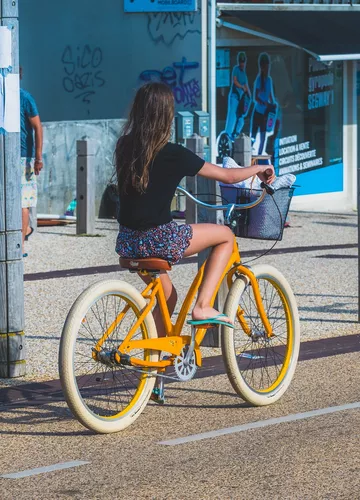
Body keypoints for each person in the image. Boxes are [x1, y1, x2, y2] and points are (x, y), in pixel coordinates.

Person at [115, 82, 275, 402]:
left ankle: (158, 373)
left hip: (128, 242)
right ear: (167, 117)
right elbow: (228, 177)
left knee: (168, 301)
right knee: (225, 236)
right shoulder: (174, 154)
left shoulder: (124, 145)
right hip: (159, 240)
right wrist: (260, 167)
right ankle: (203, 306)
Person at [20, 67, 43, 257]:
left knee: (22, 203)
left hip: (23, 159)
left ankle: (20, 246)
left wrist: (38, 157)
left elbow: (37, 127)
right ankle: (24, 233)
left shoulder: (25, 98)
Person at [250, 52, 277, 156]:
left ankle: (260, 155)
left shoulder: (269, 80)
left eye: (268, 66)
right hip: (258, 112)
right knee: (253, 135)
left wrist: (273, 104)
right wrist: (264, 103)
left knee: (263, 136)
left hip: (265, 114)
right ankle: (250, 152)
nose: (267, 69)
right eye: (265, 67)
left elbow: (271, 96)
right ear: (261, 67)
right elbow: (255, 97)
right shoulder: (258, 80)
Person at [224, 51, 251, 142]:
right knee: (232, 116)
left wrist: (249, 96)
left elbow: (246, 85)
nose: (242, 64)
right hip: (234, 97)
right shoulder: (236, 69)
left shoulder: (244, 73)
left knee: (241, 118)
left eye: (243, 62)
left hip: (241, 99)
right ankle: (227, 136)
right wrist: (242, 87)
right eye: (241, 62)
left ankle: (235, 134)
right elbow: (235, 81)